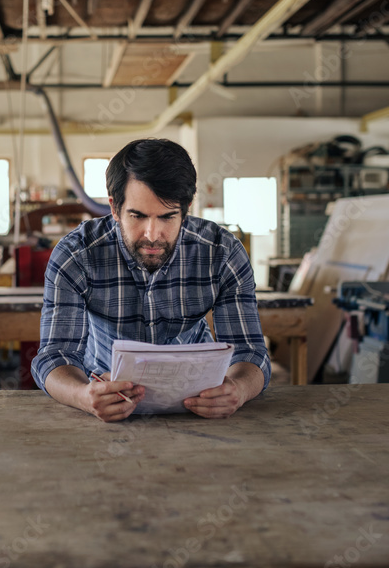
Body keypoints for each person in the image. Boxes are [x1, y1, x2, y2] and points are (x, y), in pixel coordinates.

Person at [31, 138, 271, 422]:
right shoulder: (76, 255)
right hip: (105, 397)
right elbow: (54, 356)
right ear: (114, 207)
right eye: (138, 216)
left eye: (168, 217)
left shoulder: (223, 253)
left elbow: (251, 351)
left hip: (199, 403)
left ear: (187, 208)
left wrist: (239, 390)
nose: (153, 235)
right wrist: (83, 395)